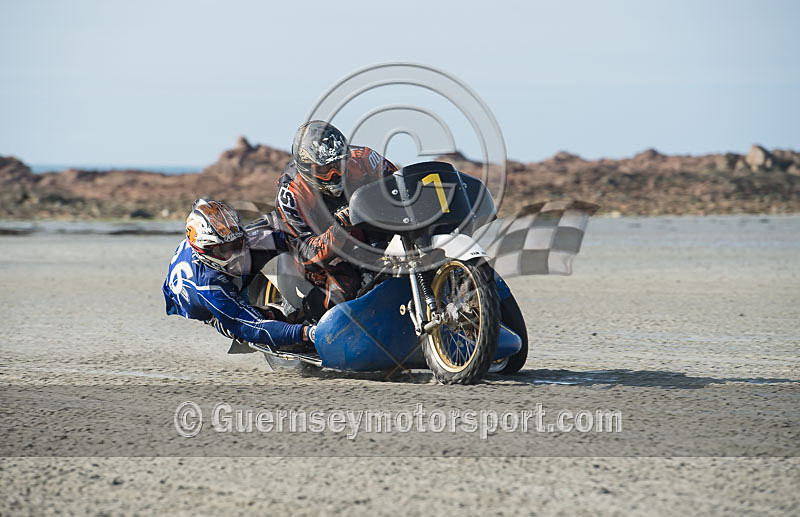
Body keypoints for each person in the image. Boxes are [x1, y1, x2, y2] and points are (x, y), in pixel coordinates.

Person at [275, 120, 397, 319]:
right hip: (324, 253)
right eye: (324, 170)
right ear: (307, 168)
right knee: (340, 296)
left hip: (372, 237)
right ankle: (302, 324)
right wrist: (339, 230)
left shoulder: (365, 159)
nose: (334, 173)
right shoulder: (291, 191)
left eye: (338, 165)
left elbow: (399, 188)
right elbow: (307, 255)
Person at [163, 199, 315, 349]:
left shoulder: (233, 237)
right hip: (198, 300)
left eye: (236, 244)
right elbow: (253, 327)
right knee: (244, 326)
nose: (234, 254)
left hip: (223, 242)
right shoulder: (209, 286)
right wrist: (307, 333)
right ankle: (219, 321)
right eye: (223, 250)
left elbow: (289, 234)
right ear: (205, 251)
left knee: (280, 229)